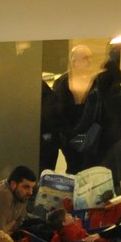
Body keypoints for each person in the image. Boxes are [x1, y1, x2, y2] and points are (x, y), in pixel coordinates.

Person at [43, 44, 95, 173]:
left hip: (89, 133)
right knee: (76, 168)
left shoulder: (94, 80)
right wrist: (71, 136)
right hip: (71, 135)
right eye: (85, 58)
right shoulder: (63, 84)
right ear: (74, 62)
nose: (90, 61)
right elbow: (58, 115)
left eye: (90, 57)